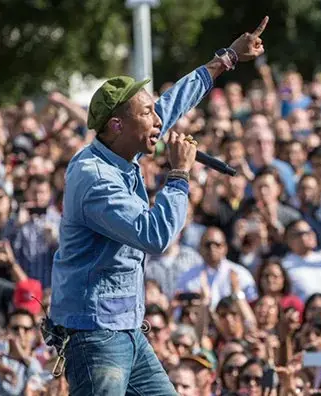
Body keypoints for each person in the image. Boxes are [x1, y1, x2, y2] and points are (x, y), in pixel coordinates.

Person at [50, 17, 269, 395]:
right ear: (117, 125)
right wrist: (180, 175)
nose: (159, 121)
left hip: (127, 331)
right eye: (148, 114)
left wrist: (229, 58)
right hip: (96, 335)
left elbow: (175, 101)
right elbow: (155, 236)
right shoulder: (94, 178)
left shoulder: (123, 144)